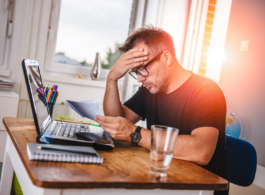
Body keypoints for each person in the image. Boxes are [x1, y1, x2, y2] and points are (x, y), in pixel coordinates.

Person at [95, 26, 228, 195]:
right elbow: (118, 123)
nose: (140, 79)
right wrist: (112, 78)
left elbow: (200, 151)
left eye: (143, 68)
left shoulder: (207, 91)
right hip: (163, 180)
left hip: (199, 188)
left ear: (165, 57)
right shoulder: (150, 89)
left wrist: (135, 133)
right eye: (135, 72)